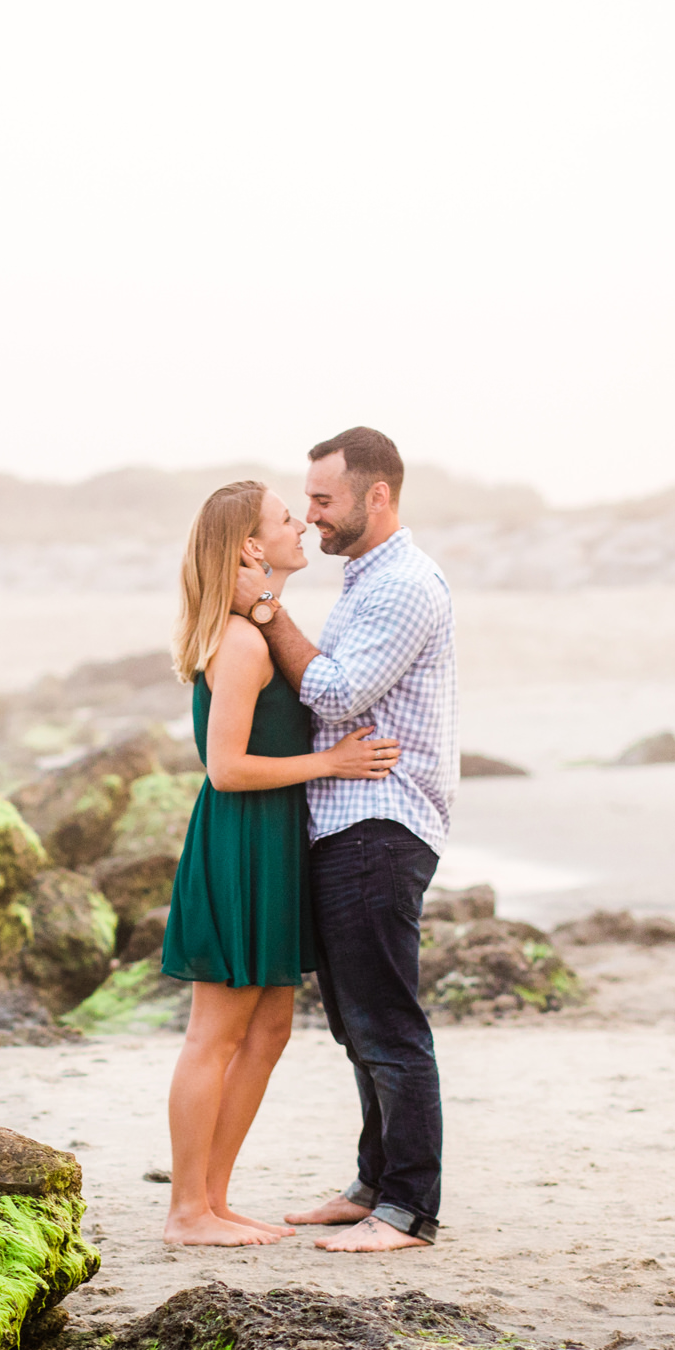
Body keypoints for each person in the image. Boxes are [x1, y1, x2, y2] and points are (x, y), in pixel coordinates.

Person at [233, 426, 458, 1255]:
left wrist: (264, 607)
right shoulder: (369, 578)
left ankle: (408, 1209)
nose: (314, 515)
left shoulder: (404, 585)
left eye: (323, 500)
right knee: (358, 1025)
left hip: (381, 823)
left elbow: (333, 692)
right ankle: (374, 1183)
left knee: (388, 1024)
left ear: (378, 496)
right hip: (350, 822)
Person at [158, 479, 400, 1247]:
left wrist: (266, 607)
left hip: (271, 844)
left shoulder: (254, 630)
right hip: (238, 843)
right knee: (216, 1034)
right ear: (251, 547)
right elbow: (225, 768)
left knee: (267, 1033)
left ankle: (214, 1200)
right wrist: (331, 762)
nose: (302, 523)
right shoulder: (236, 642)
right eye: (285, 517)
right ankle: (185, 1212)